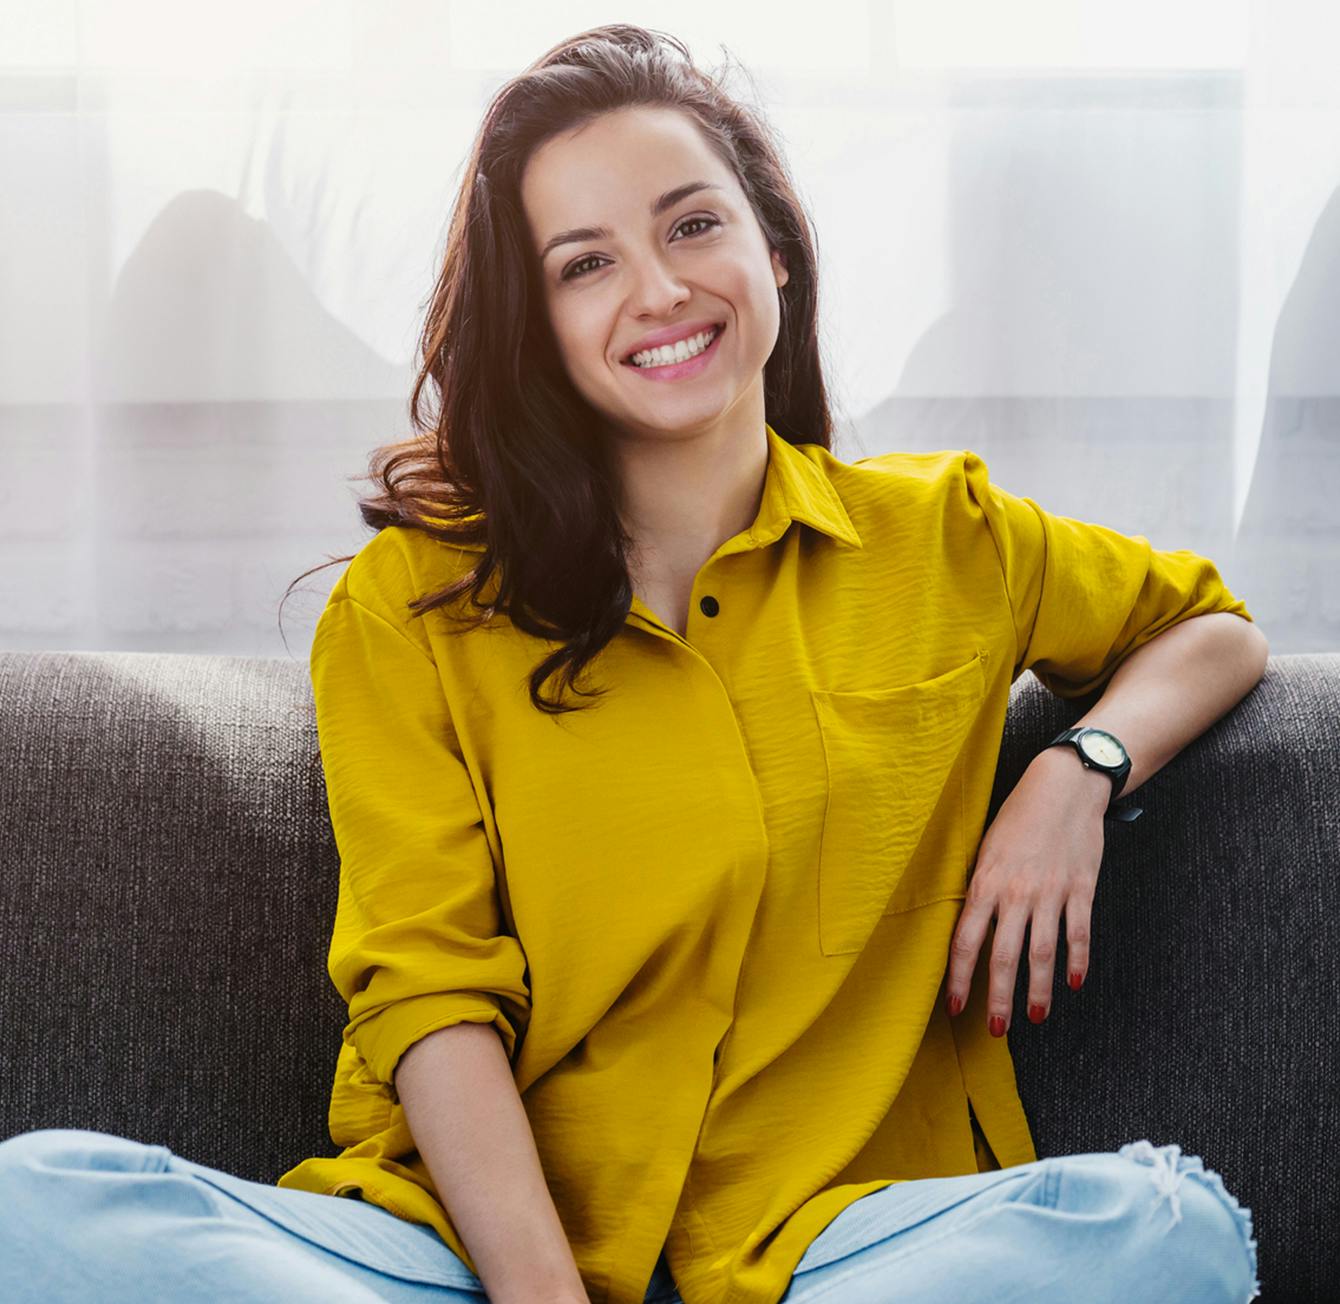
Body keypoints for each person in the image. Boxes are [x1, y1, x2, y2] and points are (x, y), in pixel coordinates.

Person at [0, 23, 1264, 1304]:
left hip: (829, 1248)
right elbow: (429, 995)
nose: (657, 289)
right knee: (34, 1202)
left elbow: (1211, 629)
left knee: (1165, 1226)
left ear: (771, 246)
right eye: (583, 262)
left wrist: (1077, 768)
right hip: (449, 1261)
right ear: (534, 323)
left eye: (691, 225)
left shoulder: (946, 538)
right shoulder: (412, 609)